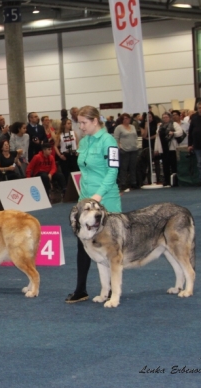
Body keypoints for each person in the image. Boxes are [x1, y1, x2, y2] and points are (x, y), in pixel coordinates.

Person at [66, 105, 121, 304]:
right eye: (79, 122)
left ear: (95, 121)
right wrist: (84, 198)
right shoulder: (85, 141)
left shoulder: (108, 141)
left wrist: (98, 196)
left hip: (106, 200)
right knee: (84, 245)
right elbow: (85, 172)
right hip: (87, 200)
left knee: (109, 247)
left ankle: (112, 291)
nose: (80, 126)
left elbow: (113, 172)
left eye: (84, 122)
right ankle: (81, 289)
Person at [154, 112, 183, 187]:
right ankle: (166, 181)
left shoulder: (174, 124)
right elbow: (157, 138)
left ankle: (175, 181)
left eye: (166, 117)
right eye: (163, 117)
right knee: (165, 165)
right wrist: (156, 149)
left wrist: (173, 133)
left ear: (169, 117)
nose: (165, 118)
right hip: (163, 148)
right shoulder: (160, 126)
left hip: (172, 147)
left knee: (173, 165)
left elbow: (180, 132)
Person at [113, 113, 140, 191]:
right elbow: (116, 138)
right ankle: (123, 183)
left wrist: (137, 145)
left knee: (133, 167)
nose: (127, 120)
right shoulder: (119, 127)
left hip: (134, 149)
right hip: (124, 150)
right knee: (123, 168)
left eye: (128, 118)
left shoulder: (132, 126)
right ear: (122, 119)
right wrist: (119, 148)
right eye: (125, 118)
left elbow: (135, 137)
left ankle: (133, 182)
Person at [56, 118, 79, 182]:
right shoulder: (60, 135)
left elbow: (77, 143)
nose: (70, 125)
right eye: (68, 123)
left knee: (75, 171)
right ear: (64, 125)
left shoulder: (73, 133)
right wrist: (60, 155)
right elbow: (55, 146)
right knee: (66, 174)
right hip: (65, 155)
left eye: (70, 123)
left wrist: (77, 150)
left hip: (74, 154)